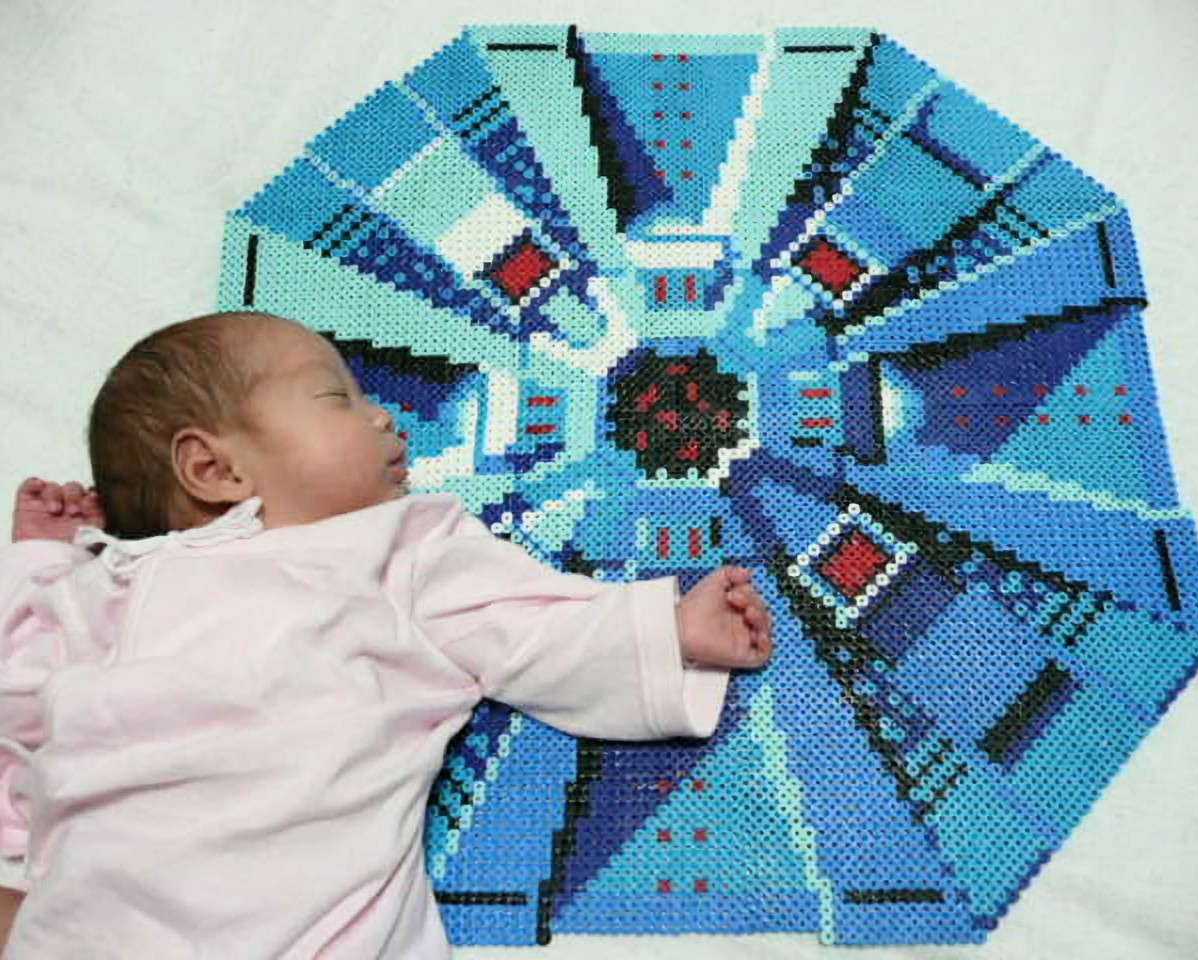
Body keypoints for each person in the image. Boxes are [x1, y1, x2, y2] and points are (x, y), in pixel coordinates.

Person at [0, 311, 774, 957]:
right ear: (214, 470)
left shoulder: (396, 549)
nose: (381, 416)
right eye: (337, 397)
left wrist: (670, 631)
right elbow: (23, 696)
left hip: (306, 924)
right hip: (97, 919)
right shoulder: (115, 580)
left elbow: (522, 623)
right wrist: (40, 563)